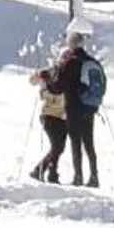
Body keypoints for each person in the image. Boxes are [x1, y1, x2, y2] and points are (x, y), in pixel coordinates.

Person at [50, 24, 103, 187]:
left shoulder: (71, 62)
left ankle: (78, 176)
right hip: (90, 107)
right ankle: (94, 177)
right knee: (89, 142)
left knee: (75, 142)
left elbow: (58, 87)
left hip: (74, 107)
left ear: (71, 44)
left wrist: (50, 80)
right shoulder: (92, 62)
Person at [26, 51, 69, 183]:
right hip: (48, 114)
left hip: (62, 115)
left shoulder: (69, 75)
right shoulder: (50, 72)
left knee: (59, 147)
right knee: (57, 146)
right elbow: (32, 80)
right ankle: (40, 170)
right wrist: (40, 75)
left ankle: (52, 173)